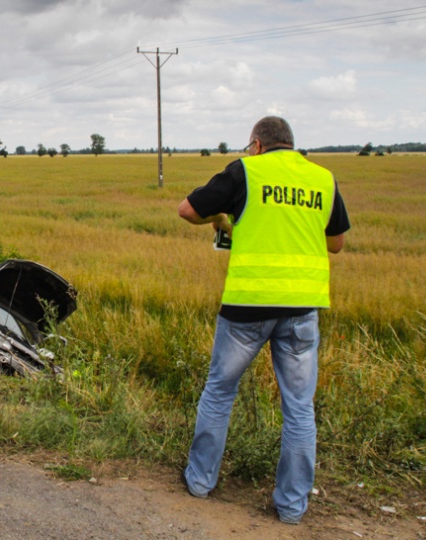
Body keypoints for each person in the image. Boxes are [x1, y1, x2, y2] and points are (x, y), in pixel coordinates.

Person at [177, 116, 350, 525]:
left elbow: (187, 209)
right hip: (303, 309)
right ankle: (292, 508)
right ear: (290, 144)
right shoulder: (322, 178)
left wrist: (221, 221)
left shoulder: (245, 170)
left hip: (247, 307)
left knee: (220, 392)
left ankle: (200, 482)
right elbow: (336, 243)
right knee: (299, 409)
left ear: (256, 144)